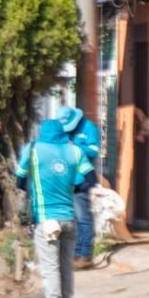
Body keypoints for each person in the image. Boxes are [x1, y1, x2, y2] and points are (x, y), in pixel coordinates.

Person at [14, 119, 94, 298]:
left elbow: (19, 180)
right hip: (69, 218)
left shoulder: (33, 149)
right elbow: (90, 178)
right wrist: (72, 189)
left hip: (46, 219)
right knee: (66, 267)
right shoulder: (74, 151)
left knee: (50, 269)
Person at [54, 105, 100, 270]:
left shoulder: (88, 128)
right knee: (70, 221)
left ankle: (85, 255)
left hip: (82, 180)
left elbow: (94, 151)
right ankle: (73, 254)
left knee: (83, 218)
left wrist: (75, 147)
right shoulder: (62, 130)